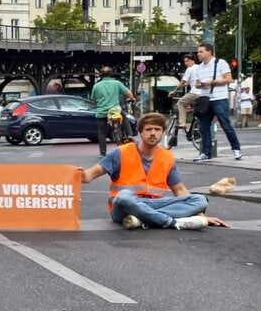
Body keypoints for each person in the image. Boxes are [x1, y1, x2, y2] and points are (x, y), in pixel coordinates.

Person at [79, 112, 228, 231]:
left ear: (162, 133)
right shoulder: (120, 152)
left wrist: (201, 215)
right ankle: (172, 222)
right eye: (148, 129)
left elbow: (179, 190)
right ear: (141, 132)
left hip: (155, 205)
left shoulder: (167, 156)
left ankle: (143, 219)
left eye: (157, 130)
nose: (153, 133)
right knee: (123, 196)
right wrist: (78, 173)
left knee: (199, 200)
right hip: (125, 207)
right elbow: (88, 176)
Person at [192, 43, 243, 162]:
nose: (198, 54)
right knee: (203, 127)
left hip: (219, 98)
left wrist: (211, 82)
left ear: (209, 52)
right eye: (198, 52)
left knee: (226, 125)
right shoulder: (199, 67)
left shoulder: (220, 63)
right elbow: (197, 83)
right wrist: (198, 85)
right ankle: (206, 152)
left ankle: (237, 149)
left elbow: (228, 79)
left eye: (201, 51)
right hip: (204, 99)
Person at [90, 66, 135, 158]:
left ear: (101, 75)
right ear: (111, 74)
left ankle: (102, 153)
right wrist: (132, 98)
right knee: (125, 118)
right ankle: (129, 134)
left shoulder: (96, 86)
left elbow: (93, 99)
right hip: (115, 111)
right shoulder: (117, 83)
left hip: (102, 112)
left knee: (102, 132)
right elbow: (128, 93)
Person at [175, 53, 200, 131]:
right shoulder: (199, 68)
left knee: (180, 103)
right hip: (204, 93)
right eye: (185, 61)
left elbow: (183, 82)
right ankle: (195, 129)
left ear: (193, 61)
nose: (186, 63)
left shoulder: (190, 69)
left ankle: (182, 122)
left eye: (187, 61)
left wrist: (174, 91)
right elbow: (187, 83)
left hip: (195, 92)